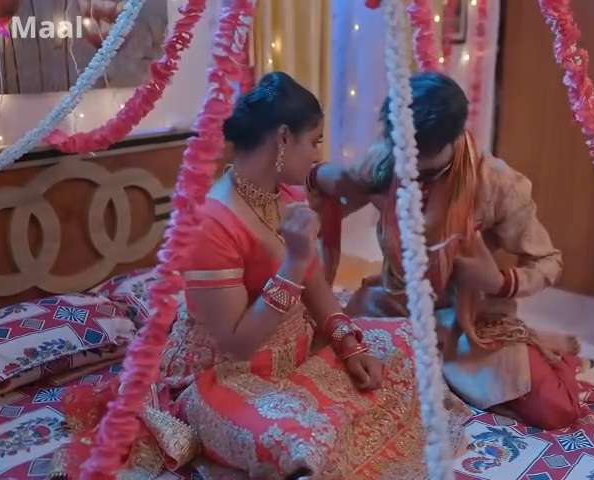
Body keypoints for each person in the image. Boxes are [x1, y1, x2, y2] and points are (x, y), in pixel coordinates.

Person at [55, 72, 469, 480]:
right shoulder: (212, 221)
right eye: (314, 141)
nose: (317, 154)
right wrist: (293, 263)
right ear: (283, 138)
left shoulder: (285, 194)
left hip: (299, 354)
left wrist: (348, 343)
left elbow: (315, 285)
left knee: (412, 342)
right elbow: (237, 344)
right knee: (302, 444)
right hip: (226, 376)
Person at [308, 72, 583, 431]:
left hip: (469, 320)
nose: (407, 168)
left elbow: (549, 261)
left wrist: (498, 281)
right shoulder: (386, 160)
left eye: (421, 159)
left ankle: (537, 346)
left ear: (452, 138)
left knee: (556, 408)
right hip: (396, 303)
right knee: (329, 364)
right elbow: (336, 197)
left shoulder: (497, 183)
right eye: (401, 153)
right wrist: (316, 183)